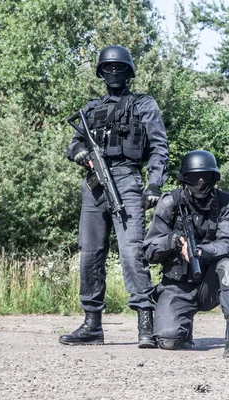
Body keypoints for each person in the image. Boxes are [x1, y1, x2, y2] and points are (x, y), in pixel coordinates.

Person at [59, 45, 169, 348]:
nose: (114, 72)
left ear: (129, 71)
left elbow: (160, 147)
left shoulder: (143, 105)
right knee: (90, 254)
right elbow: (74, 144)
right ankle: (92, 325)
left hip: (128, 179)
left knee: (133, 251)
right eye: (108, 68)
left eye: (120, 68)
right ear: (101, 72)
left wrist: (154, 186)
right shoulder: (91, 108)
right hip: (94, 185)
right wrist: (81, 152)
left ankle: (146, 324)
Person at [142, 150, 229, 359]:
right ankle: (183, 327)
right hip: (177, 285)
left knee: (228, 267)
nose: (201, 182)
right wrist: (172, 241)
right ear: (185, 179)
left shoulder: (228, 203)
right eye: (195, 177)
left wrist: (200, 251)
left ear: (215, 178)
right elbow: (149, 251)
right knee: (169, 341)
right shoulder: (169, 203)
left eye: (207, 176)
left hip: (210, 283)